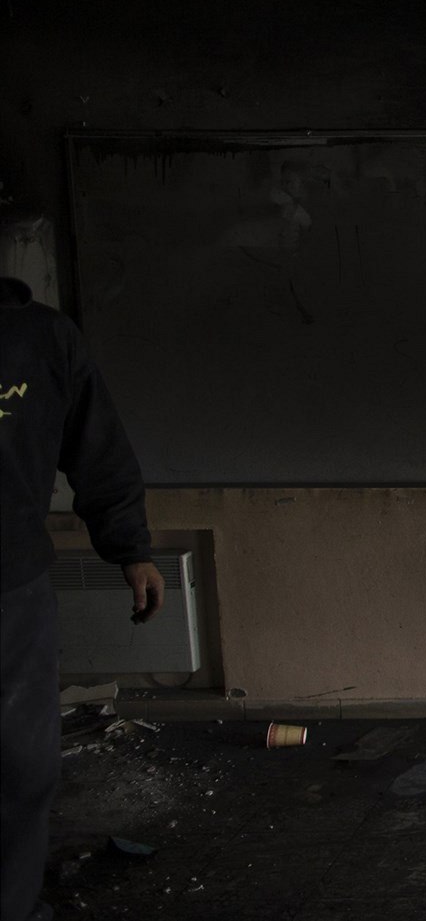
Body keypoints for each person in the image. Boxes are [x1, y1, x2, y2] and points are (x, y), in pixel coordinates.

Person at [1, 274, 164, 921]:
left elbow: (98, 449)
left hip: (10, 588)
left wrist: (132, 550)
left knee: (20, 768)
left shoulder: (40, 338)